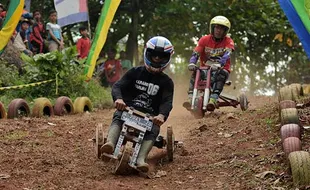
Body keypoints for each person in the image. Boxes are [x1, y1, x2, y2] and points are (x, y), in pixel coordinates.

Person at [100, 36, 175, 173]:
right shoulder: (135, 72)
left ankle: (141, 159)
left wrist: (161, 115)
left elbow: (167, 102)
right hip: (128, 109)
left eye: (161, 56)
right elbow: (118, 86)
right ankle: (110, 143)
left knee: (154, 130)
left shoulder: (167, 82)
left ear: (167, 58)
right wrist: (119, 99)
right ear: (148, 54)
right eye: (154, 55)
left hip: (150, 117)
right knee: (118, 116)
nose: (157, 59)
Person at [187, 15, 234, 111]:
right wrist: (192, 62)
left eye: (221, 28)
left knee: (222, 74)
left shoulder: (228, 41)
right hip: (205, 69)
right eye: (217, 27)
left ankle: (213, 99)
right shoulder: (204, 39)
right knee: (196, 72)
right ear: (212, 28)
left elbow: (227, 53)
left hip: (221, 69)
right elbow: (196, 52)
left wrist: (220, 63)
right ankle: (190, 97)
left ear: (225, 31)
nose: (218, 30)